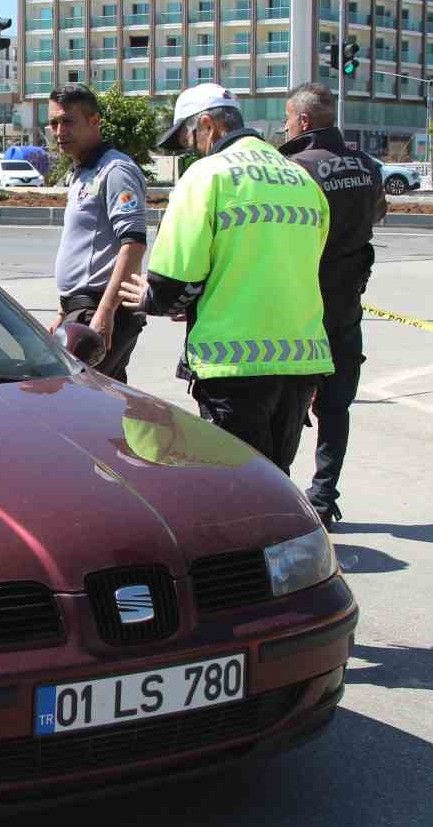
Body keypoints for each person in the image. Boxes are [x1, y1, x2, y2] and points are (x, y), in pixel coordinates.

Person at [117, 83, 334, 473]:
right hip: (300, 361)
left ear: (206, 124)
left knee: (238, 487)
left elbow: (173, 283)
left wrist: (151, 299)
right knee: (276, 481)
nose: (191, 150)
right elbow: (299, 263)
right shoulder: (300, 178)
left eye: (188, 138)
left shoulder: (208, 176)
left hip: (232, 366)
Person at [278, 83, 388, 529]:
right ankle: (323, 498)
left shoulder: (295, 167)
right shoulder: (366, 164)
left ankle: (277, 494)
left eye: (288, 118)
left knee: (284, 405)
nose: (286, 126)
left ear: (303, 121)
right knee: (335, 407)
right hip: (346, 306)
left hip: (299, 307)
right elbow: (379, 211)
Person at [45, 84, 149, 381]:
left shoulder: (115, 170)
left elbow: (134, 244)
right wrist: (63, 313)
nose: (59, 131)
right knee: (101, 404)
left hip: (99, 310)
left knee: (76, 399)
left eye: (68, 121)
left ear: (94, 122)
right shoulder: (83, 171)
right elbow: (84, 250)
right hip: (81, 309)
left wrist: (105, 314)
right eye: (54, 123)